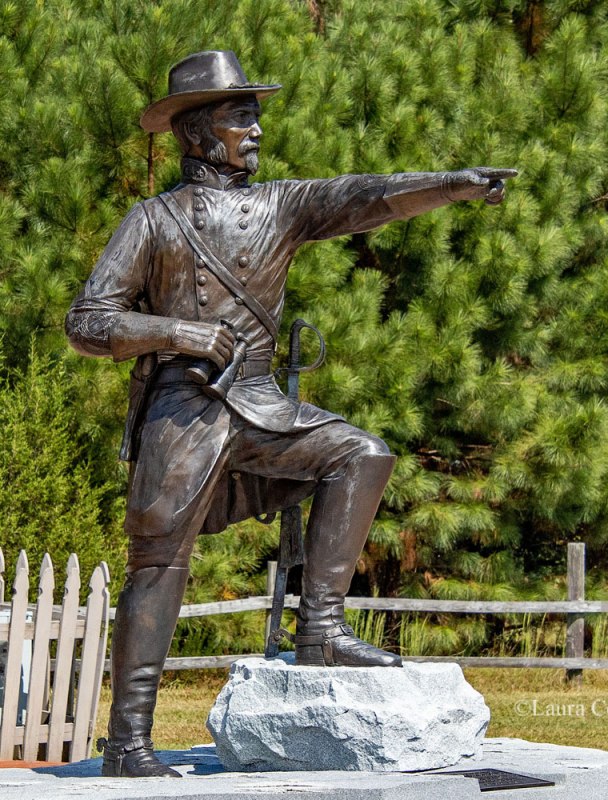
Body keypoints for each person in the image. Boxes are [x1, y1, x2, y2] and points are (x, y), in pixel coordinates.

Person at [65, 50, 515, 778]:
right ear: (194, 134)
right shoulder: (151, 222)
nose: (257, 128)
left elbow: (362, 196)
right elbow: (86, 321)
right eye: (240, 115)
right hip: (184, 408)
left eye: (255, 114)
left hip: (261, 402)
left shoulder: (279, 207)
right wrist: (174, 332)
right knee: (158, 566)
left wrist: (450, 187)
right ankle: (127, 745)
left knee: (359, 453)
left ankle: (322, 630)